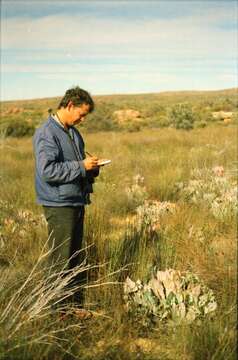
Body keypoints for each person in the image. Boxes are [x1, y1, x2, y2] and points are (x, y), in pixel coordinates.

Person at [33, 86, 99, 317]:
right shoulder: (47, 133)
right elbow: (48, 171)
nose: (82, 119)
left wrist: (91, 168)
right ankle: (53, 311)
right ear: (70, 105)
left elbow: (76, 165)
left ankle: (72, 307)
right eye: (81, 114)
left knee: (73, 257)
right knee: (60, 259)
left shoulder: (72, 132)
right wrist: (81, 167)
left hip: (75, 200)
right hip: (59, 204)